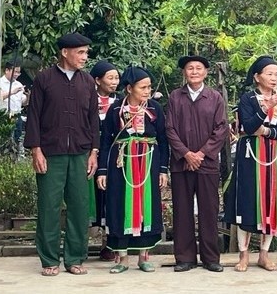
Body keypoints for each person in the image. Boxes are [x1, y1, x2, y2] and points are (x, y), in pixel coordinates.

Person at [24, 33, 99, 277]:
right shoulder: (44, 79)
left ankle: (75, 258)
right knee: (49, 206)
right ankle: (48, 259)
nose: (84, 57)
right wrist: (36, 150)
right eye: (80, 52)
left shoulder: (88, 82)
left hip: (80, 153)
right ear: (65, 52)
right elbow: (33, 116)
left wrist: (93, 152)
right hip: (51, 152)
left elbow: (93, 121)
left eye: (86, 53)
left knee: (79, 206)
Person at [97, 66, 169, 273]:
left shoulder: (155, 108)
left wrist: (163, 169)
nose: (148, 91)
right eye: (143, 87)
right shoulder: (115, 109)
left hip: (149, 162)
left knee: (146, 206)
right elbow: (105, 141)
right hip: (121, 163)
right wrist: (102, 170)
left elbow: (163, 140)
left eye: (149, 87)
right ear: (129, 88)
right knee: (120, 205)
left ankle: (143, 257)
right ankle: (122, 259)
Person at [224, 56, 277, 272]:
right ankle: (243, 255)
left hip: (273, 154)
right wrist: (266, 107)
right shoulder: (248, 99)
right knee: (248, 201)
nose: (274, 77)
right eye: (269, 73)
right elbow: (249, 126)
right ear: (257, 77)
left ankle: (264, 254)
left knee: (272, 201)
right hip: (250, 154)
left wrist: (269, 131)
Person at [166, 55, 228, 272]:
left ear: (205, 72)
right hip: (181, 164)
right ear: (184, 72)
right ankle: (185, 258)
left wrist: (201, 154)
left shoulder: (215, 97)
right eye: (189, 68)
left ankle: (211, 258)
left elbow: (221, 129)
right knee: (182, 211)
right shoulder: (175, 97)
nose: (194, 72)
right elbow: (170, 129)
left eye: (198, 68)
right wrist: (186, 154)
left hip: (207, 164)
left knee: (209, 212)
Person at [89, 60, 120, 262]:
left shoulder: (121, 103)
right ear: (97, 80)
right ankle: (84, 242)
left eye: (117, 78)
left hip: (113, 158)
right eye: (110, 78)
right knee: (91, 199)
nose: (114, 82)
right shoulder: (88, 100)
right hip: (90, 156)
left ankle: (109, 244)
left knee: (112, 198)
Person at [0, 59, 28, 143]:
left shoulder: (19, 84)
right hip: (4, 116)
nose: (17, 75)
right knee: (4, 140)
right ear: (7, 70)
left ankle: (15, 154)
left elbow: (23, 102)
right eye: (15, 72)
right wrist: (12, 92)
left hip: (17, 116)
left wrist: (28, 96)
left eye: (18, 72)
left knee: (17, 139)